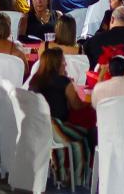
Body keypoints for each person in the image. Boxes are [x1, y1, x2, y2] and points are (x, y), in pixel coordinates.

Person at [28, 47, 89, 184]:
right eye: (63, 61)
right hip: (54, 127)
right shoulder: (63, 82)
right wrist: (88, 101)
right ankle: (77, 179)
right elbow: (76, 105)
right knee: (84, 136)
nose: (65, 64)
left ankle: (61, 173)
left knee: (68, 134)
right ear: (57, 63)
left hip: (36, 126)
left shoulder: (35, 80)